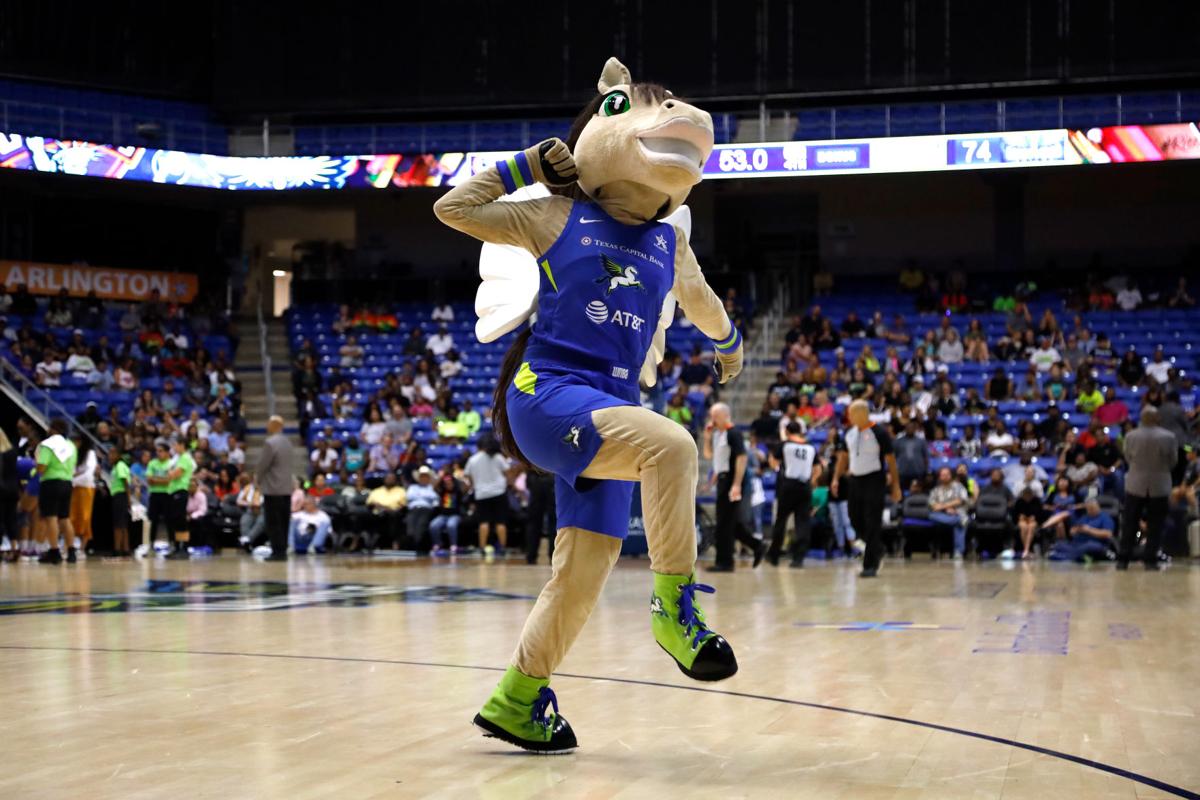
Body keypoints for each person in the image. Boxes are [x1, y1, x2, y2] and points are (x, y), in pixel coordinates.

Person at [832, 400, 902, 577]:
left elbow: (891, 461)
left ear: (862, 413)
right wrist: (835, 479)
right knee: (854, 517)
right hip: (855, 480)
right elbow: (843, 458)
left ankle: (870, 565)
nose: (849, 416)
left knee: (872, 520)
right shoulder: (849, 433)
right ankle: (876, 545)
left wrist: (895, 485)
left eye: (852, 413)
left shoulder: (879, 432)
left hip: (874, 479)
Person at [1117, 405, 1178, 570]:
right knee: (1156, 525)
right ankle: (1150, 560)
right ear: (1157, 418)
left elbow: (1128, 457)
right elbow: (1173, 461)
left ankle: (1123, 559)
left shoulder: (1130, 436)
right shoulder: (1169, 437)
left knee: (1130, 523)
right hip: (1159, 484)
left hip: (1135, 484)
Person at [704, 403, 763, 571]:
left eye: (715, 416)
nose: (712, 420)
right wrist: (707, 438)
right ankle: (757, 546)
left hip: (732, 480)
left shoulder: (734, 433)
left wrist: (736, 484)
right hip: (723, 479)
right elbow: (711, 457)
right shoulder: (718, 434)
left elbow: (742, 458)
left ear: (724, 415)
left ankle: (725, 563)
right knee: (731, 523)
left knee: (723, 524)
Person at [766, 421, 819, 567]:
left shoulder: (785, 445)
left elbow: (774, 463)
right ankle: (798, 558)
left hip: (788, 486)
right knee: (802, 522)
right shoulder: (810, 447)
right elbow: (818, 469)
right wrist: (811, 481)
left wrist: (774, 461)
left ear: (788, 432)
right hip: (805, 486)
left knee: (781, 521)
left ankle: (774, 555)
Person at [35, 418, 77, 564]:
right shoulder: (71, 445)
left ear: (53, 429)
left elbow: (41, 468)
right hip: (67, 482)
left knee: (51, 518)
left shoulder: (48, 445)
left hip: (51, 483)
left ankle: (54, 552)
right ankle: (72, 552)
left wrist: (36, 462)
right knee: (65, 518)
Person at [464, 435, 511, 555]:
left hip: (481, 494)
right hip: (499, 493)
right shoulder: (498, 457)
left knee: (483, 522)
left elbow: (468, 476)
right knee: (500, 522)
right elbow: (507, 473)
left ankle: (482, 548)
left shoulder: (473, 459)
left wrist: (476, 484)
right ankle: (503, 548)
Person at [256, 415, 295, 561]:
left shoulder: (270, 443)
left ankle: (277, 552)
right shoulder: (288, 442)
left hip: (273, 489)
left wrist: (257, 479)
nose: (267, 426)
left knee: (273, 522)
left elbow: (263, 465)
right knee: (284, 522)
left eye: (269, 423)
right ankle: (283, 550)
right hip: (286, 488)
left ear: (275, 425)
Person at [163, 439, 196, 560]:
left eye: (175, 445)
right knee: (175, 521)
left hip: (180, 491)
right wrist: (169, 472)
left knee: (180, 520)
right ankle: (177, 547)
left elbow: (174, 474)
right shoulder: (179, 458)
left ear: (182, 445)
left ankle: (184, 548)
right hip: (173, 491)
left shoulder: (185, 458)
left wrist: (170, 472)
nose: (174, 447)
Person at [928, 466, 969, 559]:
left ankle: (958, 552)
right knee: (931, 515)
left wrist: (942, 506)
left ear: (951, 475)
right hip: (941, 515)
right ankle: (956, 521)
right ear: (939, 477)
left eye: (947, 474)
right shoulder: (936, 490)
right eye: (943, 475)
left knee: (959, 522)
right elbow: (933, 505)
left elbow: (960, 500)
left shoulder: (959, 487)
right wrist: (946, 509)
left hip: (957, 513)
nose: (945, 476)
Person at [69, 436, 98, 553]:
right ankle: (71, 544)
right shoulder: (75, 453)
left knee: (85, 517)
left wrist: (73, 479)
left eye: (76, 441)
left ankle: (82, 547)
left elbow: (89, 474)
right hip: (75, 488)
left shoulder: (90, 454)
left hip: (86, 488)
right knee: (72, 516)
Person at [524, 468, 557, 565]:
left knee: (533, 522)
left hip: (534, 476)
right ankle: (554, 555)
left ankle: (531, 556)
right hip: (552, 477)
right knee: (554, 521)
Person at [366, 472, 406, 549]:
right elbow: (369, 503)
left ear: (395, 480)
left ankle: (393, 542)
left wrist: (387, 508)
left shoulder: (400, 490)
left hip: (394, 513)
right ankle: (373, 543)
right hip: (377, 513)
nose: (389, 480)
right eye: (388, 478)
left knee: (393, 516)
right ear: (384, 480)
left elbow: (403, 505)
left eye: (392, 479)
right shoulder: (376, 491)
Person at [106, 444, 133, 557]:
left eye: (112, 453)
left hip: (120, 496)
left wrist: (128, 499)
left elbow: (125, 482)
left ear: (118, 455)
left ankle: (118, 549)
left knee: (118, 525)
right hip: (119, 496)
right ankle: (125, 549)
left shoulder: (120, 465)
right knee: (122, 524)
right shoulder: (117, 466)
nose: (110, 456)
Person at [405, 465, 439, 551]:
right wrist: (426, 496)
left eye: (425, 476)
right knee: (410, 530)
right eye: (422, 476)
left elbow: (435, 499)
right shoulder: (413, 487)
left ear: (428, 478)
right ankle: (412, 548)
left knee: (420, 528)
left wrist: (420, 496)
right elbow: (409, 497)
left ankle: (418, 549)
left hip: (426, 510)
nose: (423, 478)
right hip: (413, 509)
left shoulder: (431, 488)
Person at [431, 472, 465, 555]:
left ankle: (453, 545)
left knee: (451, 525)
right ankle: (438, 544)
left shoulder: (458, 492)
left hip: (455, 515)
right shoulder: (443, 492)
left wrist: (457, 478)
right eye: (446, 484)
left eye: (450, 483)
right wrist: (441, 476)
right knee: (434, 525)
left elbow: (466, 487)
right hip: (443, 515)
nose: (448, 485)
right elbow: (434, 487)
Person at [235, 474, 265, 549]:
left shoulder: (266, 488)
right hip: (250, 510)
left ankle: (247, 540)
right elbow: (239, 501)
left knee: (261, 522)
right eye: (255, 480)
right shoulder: (247, 488)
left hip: (262, 511)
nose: (256, 482)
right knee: (244, 521)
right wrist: (249, 503)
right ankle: (247, 544)